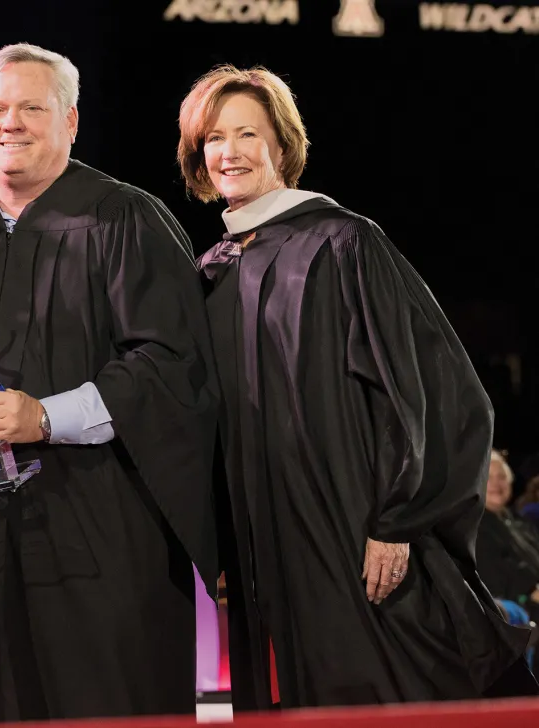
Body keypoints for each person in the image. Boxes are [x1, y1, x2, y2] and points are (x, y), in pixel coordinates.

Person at [180, 65, 537, 709]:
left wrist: (397, 520)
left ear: (281, 146)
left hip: (350, 526)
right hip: (263, 538)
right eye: (213, 138)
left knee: (379, 689)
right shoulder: (212, 271)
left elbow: (434, 390)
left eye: (246, 134)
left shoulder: (343, 243)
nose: (228, 152)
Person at [0, 43, 219, 721]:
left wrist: (45, 419)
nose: (10, 123)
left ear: (71, 120)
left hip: (103, 536)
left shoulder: (124, 219)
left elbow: (170, 362)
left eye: (32, 107)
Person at [478, 450, 539, 621]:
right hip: (513, 618)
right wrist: (530, 592)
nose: (497, 484)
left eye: (502, 477)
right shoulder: (471, 528)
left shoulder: (519, 522)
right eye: (489, 478)